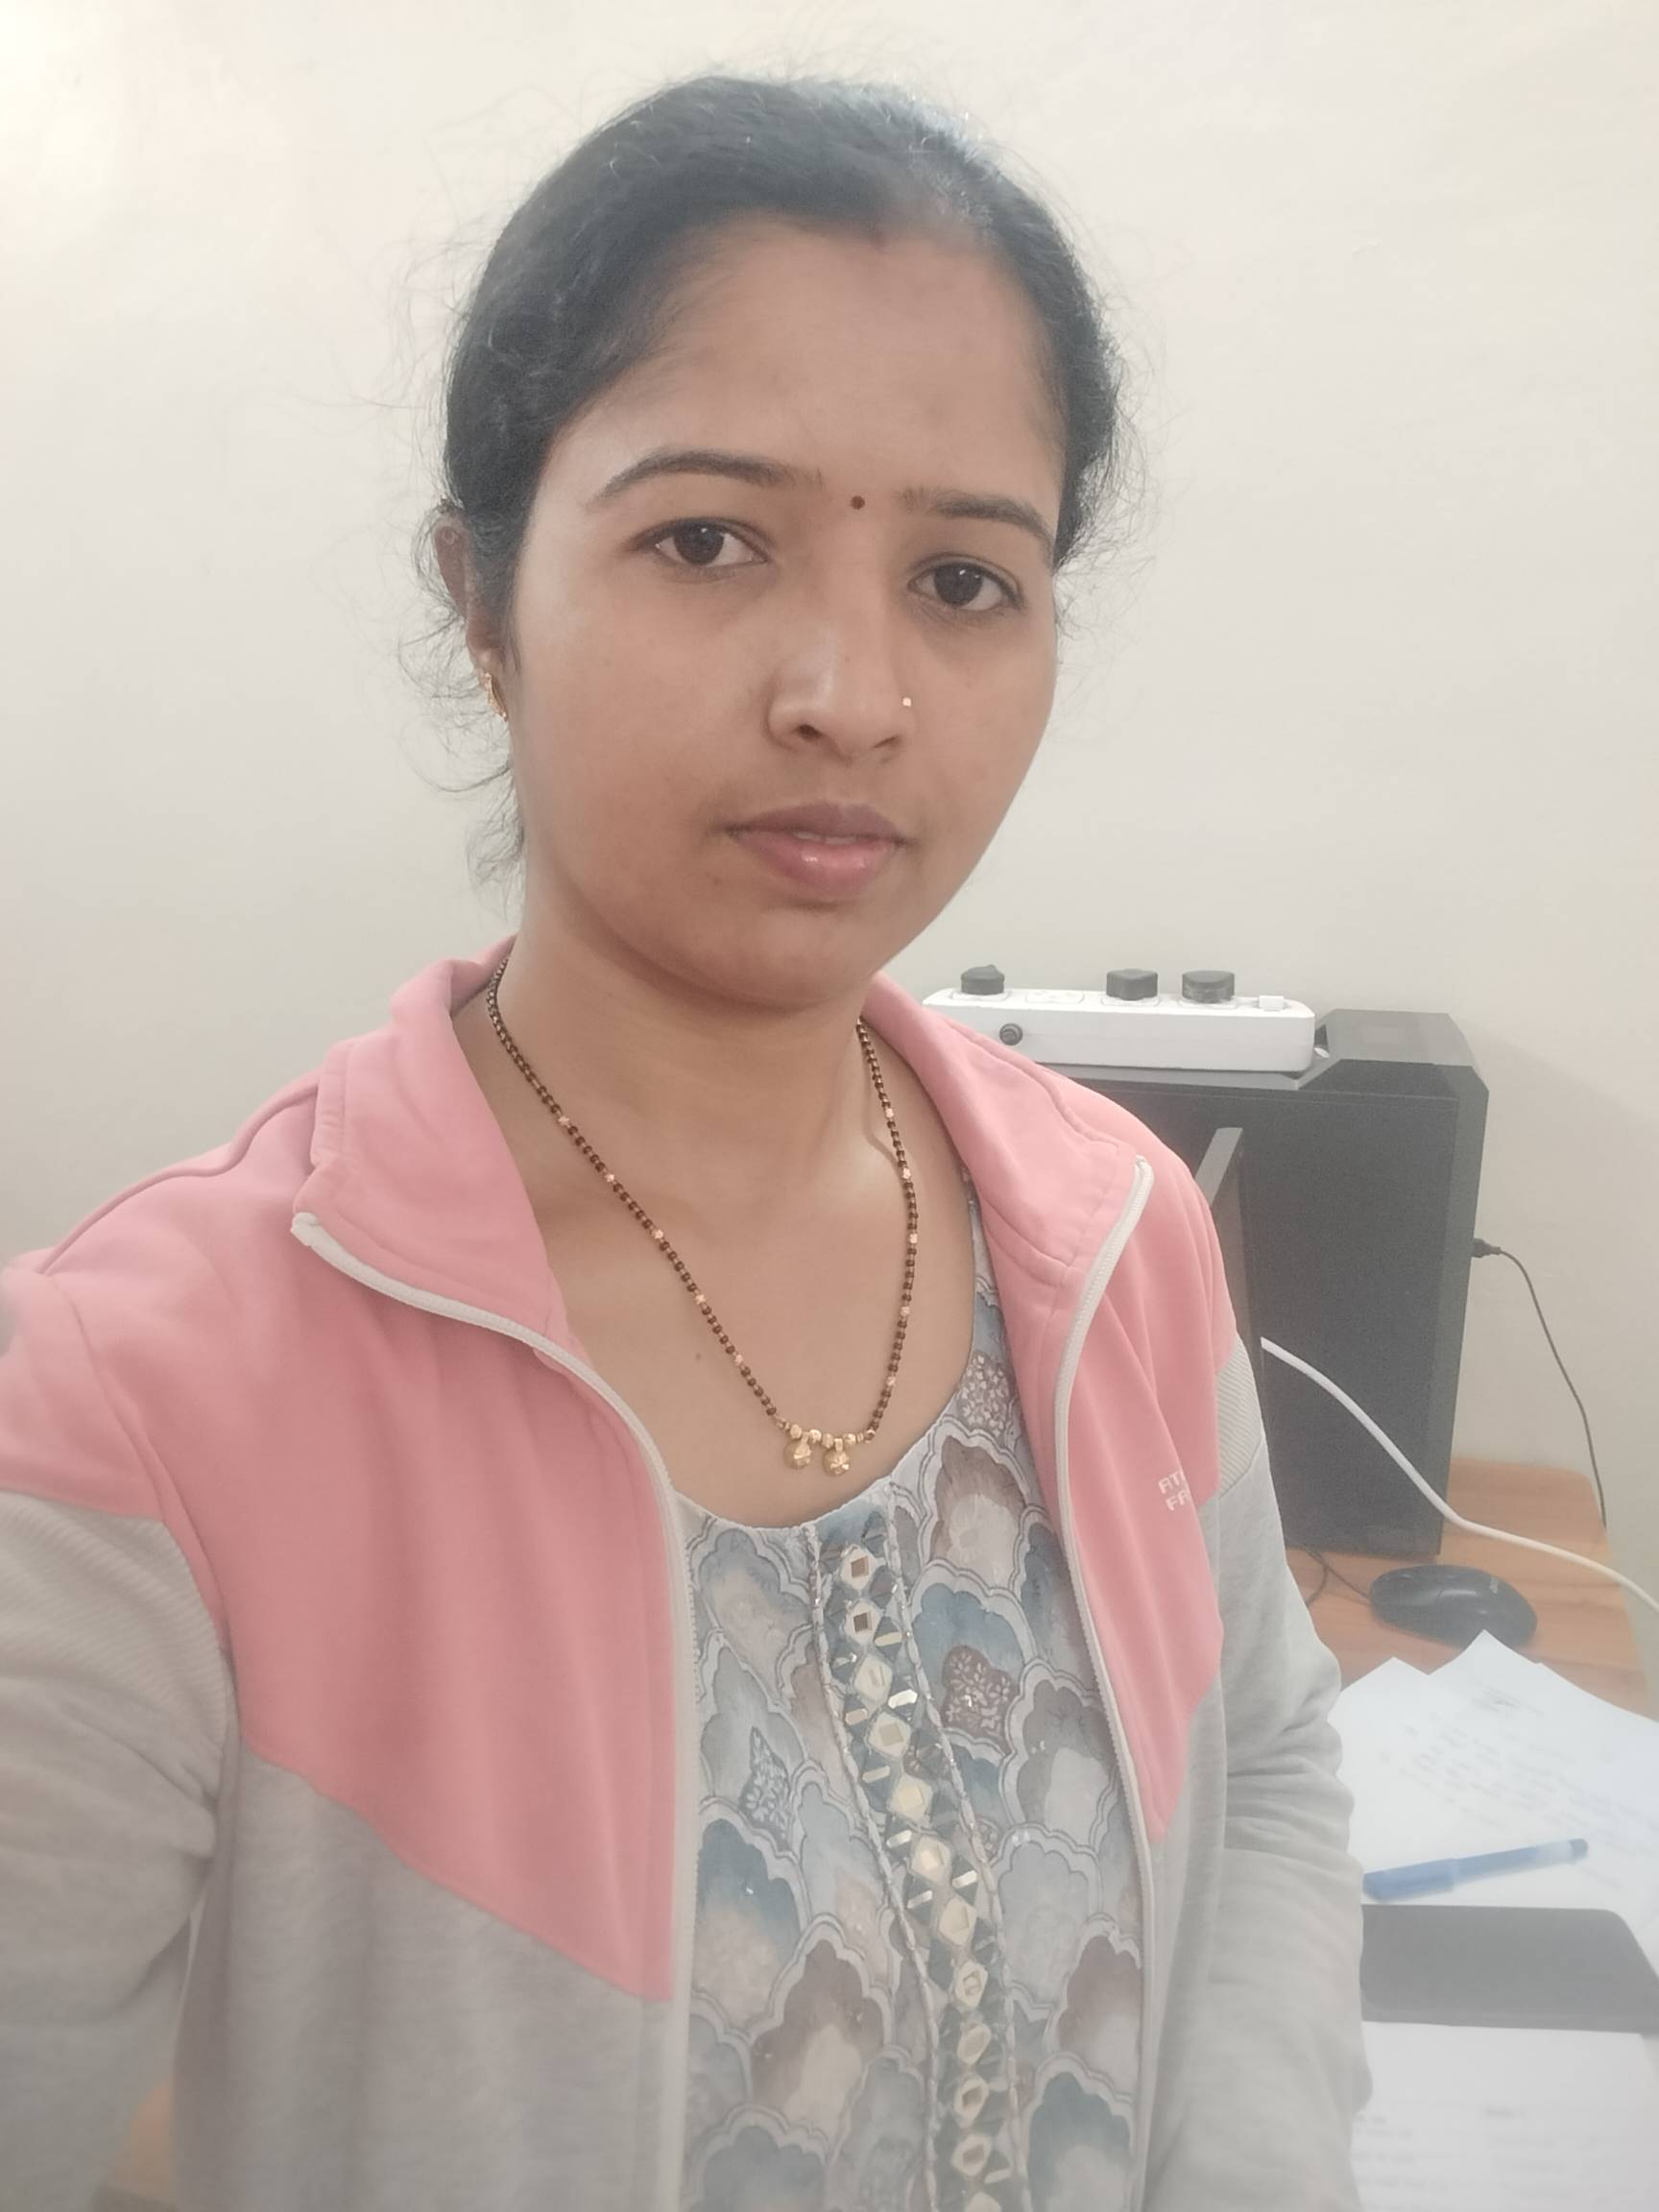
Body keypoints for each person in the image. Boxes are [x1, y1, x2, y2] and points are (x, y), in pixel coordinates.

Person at [0, 70, 1367, 2212]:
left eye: (964, 578)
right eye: (708, 540)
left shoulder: (1118, 1232)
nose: (851, 692)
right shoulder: (144, 1393)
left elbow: (1267, 1760)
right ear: (482, 597)